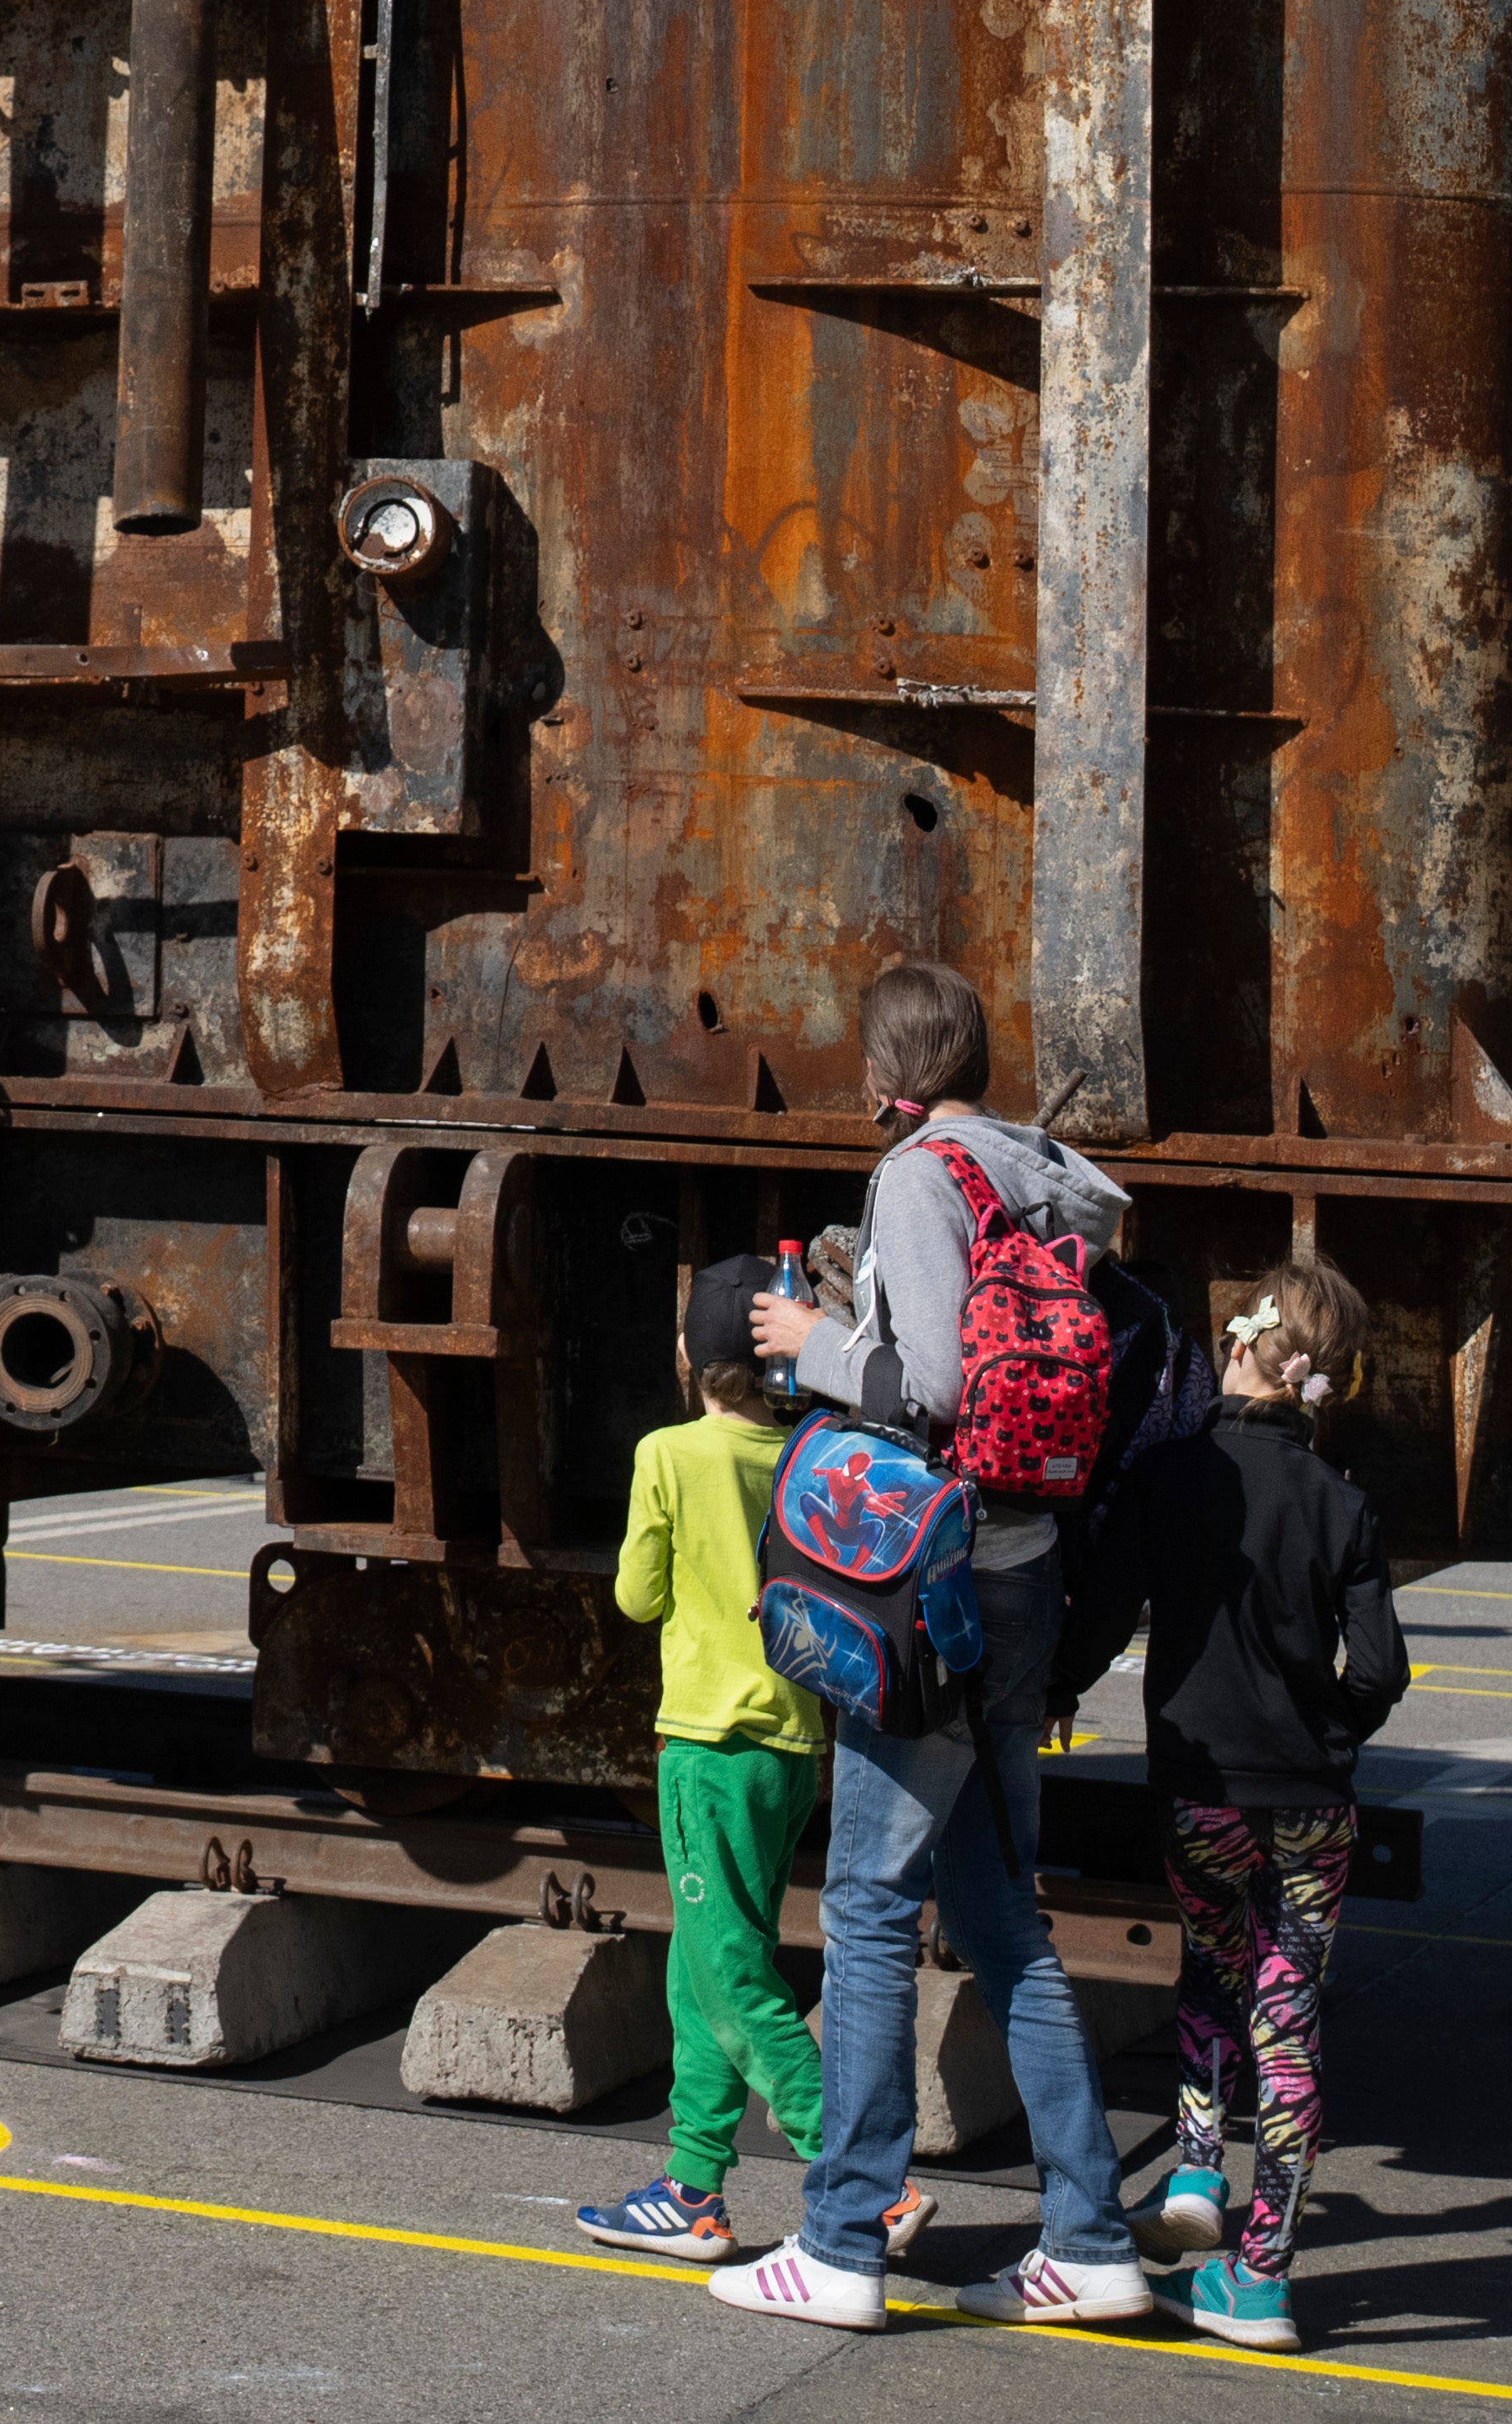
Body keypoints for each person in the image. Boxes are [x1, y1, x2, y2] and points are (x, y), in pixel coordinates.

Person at [722, 957, 1156, 2335]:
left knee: (860, 1905)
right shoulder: (1044, 1174)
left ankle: (840, 2237)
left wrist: (810, 1339)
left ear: (886, 1069)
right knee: (994, 1913)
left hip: (942, 1585)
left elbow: (930, 1387)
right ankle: (1086, 2235)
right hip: (1027, 1568)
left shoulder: (920, 1173)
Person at [1108, 1255, 1409, 2352]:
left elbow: (1107, 1601)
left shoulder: (1176, 1473)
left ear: (1241, 1346)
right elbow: (1379, 1669)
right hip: (1315, 1806)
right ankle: (1262, 2277)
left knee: (1210, 1960)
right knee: (1291, 2022)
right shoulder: (1345, 1503)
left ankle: (1194, 2168)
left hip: (1205, 1793)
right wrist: (1324, 1736)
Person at [582, 1255, 837, 2261]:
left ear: (687, 1353)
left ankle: (859, 2168)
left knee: (728, 1971)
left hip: (705, 1740)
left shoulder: (667, 1453)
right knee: (702, 1967)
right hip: (792, 1742)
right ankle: (691, 2184)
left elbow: (636, 1596)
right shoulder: (806, 1452)